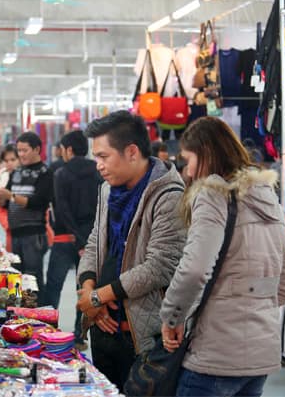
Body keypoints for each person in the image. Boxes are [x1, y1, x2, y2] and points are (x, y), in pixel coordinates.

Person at [160, 117, 285, 397]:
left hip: (215, 354)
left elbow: (195, 269)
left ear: (207, 154)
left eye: (189, 160)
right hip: (260, 356)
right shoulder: (269, 198)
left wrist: (172, 317)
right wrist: (250, 302)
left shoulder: (212, 193)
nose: (187, 171)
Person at [75, 111, 186, 389]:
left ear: (132, 152)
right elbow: (94, 244)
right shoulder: (107, 190)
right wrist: (88, 290)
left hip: (141, 336)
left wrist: (100, 296)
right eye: (96, 157)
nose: (98, 165)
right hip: (103, 326)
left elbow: (160, 266)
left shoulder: (168, 195)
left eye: (103, 156)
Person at [46, 130, 102, 351]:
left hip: (64, 237)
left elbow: (62, 210)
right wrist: (86, 241)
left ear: (68, 150)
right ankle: (80, 335)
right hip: (90, 238)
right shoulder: (98, 173)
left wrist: (76, 239)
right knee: (84, 288)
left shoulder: (61, 173)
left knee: (54, 286)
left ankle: (49, 330)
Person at [0, 132, 53, 302]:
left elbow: (38, 202)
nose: (21, 154)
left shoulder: (45, 172)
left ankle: (39, 313)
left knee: (33, 277)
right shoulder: (16, 172)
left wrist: (10, 195)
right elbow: (7, 202)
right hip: (16, 234)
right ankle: (18, 310)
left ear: (37, 149)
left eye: (25, 150)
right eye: (19, 150)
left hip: (33, 235)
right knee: (15, 275)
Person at [0, 144, 20, 252]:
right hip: (11, 219)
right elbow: (5, 204)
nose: (9, 163)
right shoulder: (6, 174)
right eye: (6, 160)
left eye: (13, 160)